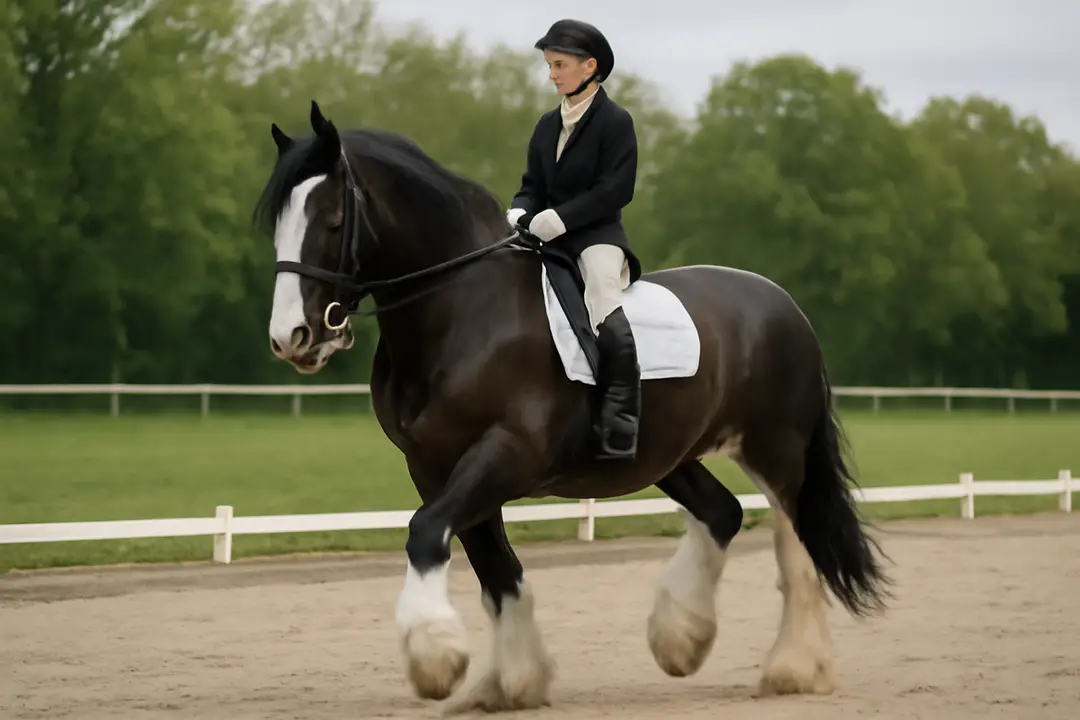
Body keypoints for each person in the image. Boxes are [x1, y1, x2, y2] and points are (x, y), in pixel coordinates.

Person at [506, 18, 642, 460]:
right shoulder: (547, 125)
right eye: (549, 65)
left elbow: (614, 191)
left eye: (559, 64)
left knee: (603, 295)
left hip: (596, 238)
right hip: (547, 237)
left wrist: (561, 219)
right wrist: (521, 209)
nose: (551, 74)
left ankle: (620, 418)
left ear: (590, 67)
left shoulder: (615, 122)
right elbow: (532, 184)